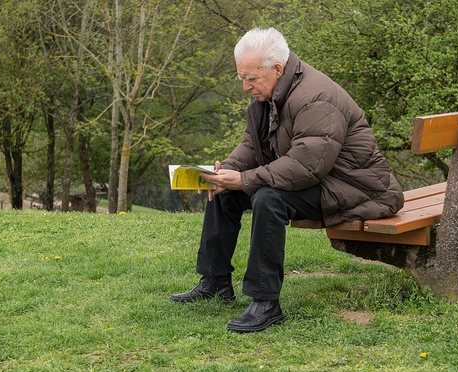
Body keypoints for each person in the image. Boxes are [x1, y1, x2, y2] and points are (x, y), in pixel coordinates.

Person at [169, 27, 404, 333]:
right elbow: (252, 147)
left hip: (358, 189)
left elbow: (307, 167)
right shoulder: (269, 96)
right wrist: (226, 170)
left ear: (277, 69)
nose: (245, 87)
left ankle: (266, 303)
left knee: (268, 197)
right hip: (323, 181)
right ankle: (215, 281)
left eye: (251, 78)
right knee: (225, 190)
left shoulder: (316, 98)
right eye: (242, 77)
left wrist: (244, 179)